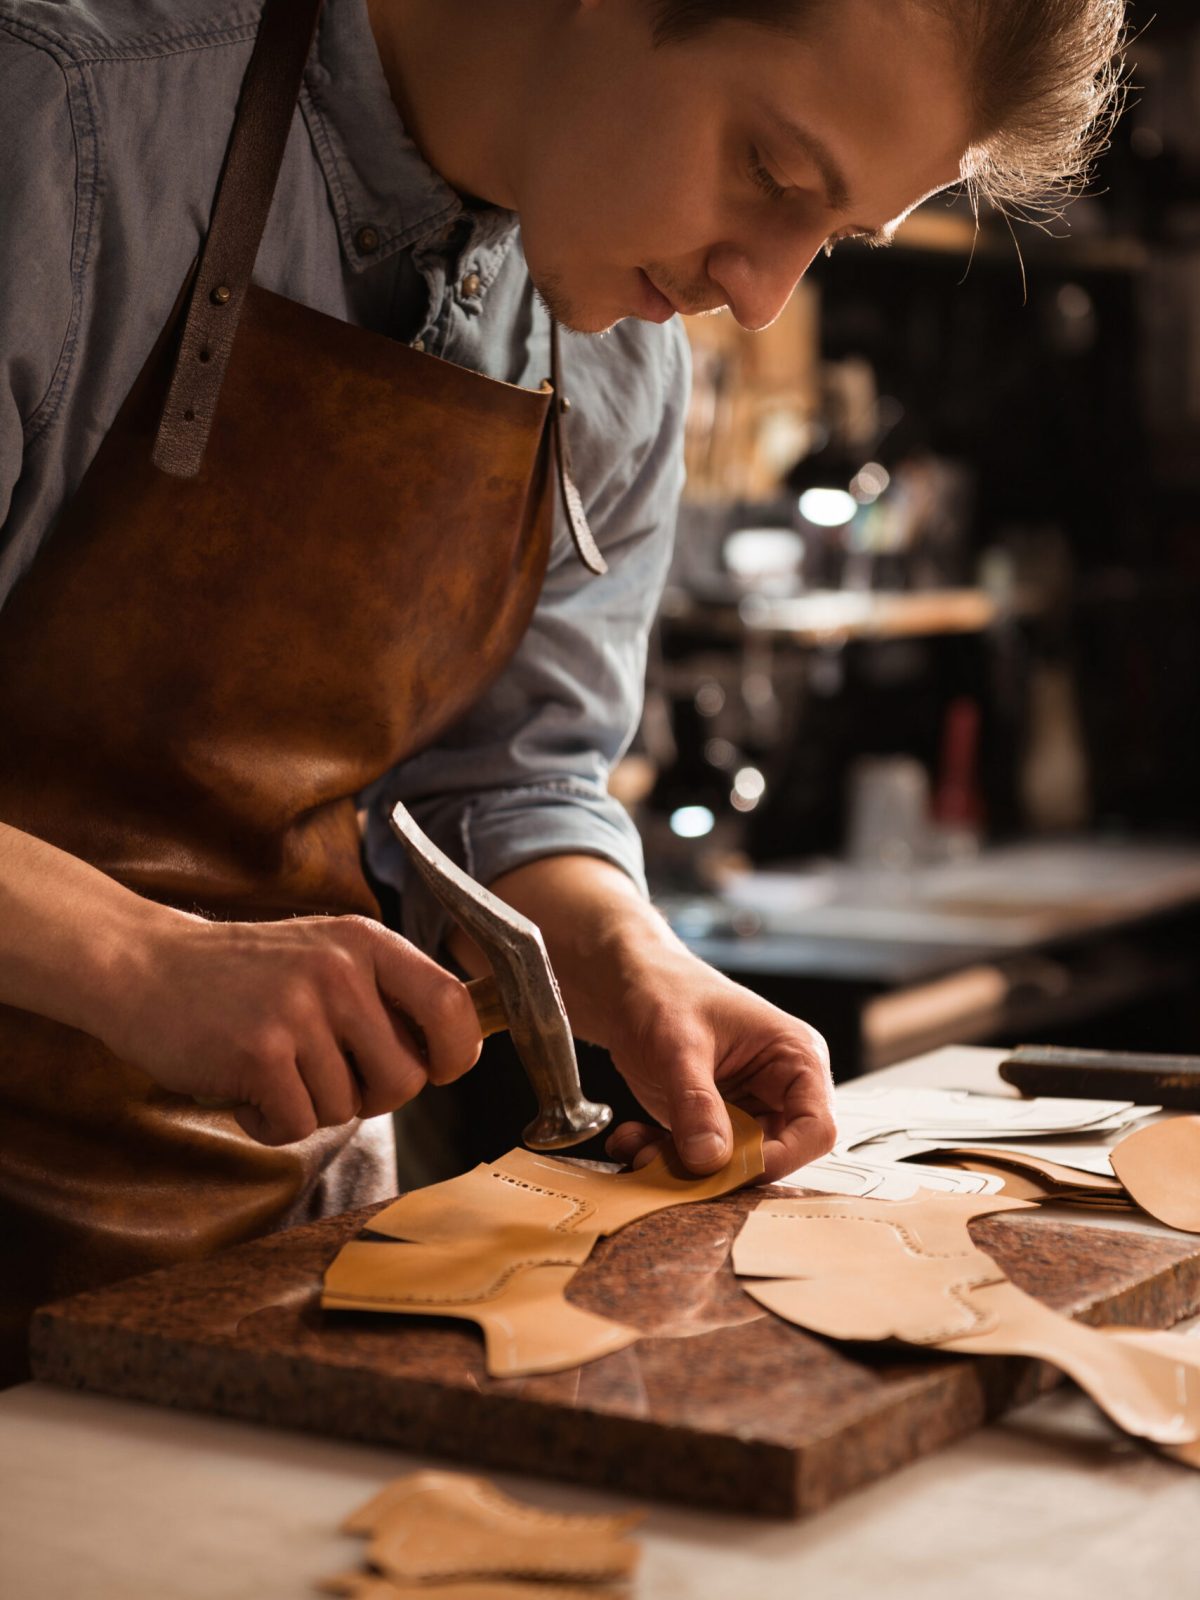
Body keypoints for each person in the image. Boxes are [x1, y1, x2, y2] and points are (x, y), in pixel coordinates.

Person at [0, 0, 1126, 1379]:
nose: (762, 292)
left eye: (827, 239)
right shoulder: (63, 117)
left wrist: (628, 958)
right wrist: (139, 961)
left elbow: (510, 786)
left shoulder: (613, 349)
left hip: (263, 1266)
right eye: (771, 172)